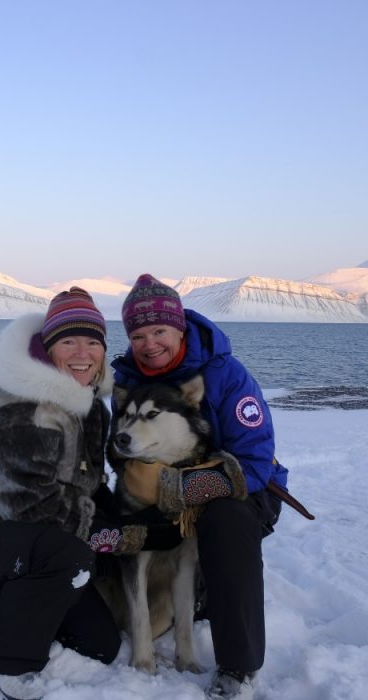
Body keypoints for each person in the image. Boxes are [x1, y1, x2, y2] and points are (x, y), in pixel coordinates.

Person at [0, 288, 181, 700]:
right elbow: (29, 506)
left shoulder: (90, 407)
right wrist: (123, 536)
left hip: (39, 547)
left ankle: (28, 608)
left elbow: (89, 486)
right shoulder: (20, 409)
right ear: (47, 348)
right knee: (67, 553)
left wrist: (133, 518)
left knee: (100, 646)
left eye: (93, 341)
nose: (82, 352)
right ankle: (6, 657)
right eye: (68, 341)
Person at [110, 274, 288, 700]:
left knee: (225, 523)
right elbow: (120, 450)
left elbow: (256, 460)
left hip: (244, 488)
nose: (149, 343)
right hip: (160, 489)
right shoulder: (130, 380)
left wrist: (186, 488)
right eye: (138, 335)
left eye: (159, 331)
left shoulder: (226, 375)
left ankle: (238, 666)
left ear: (180, 328)